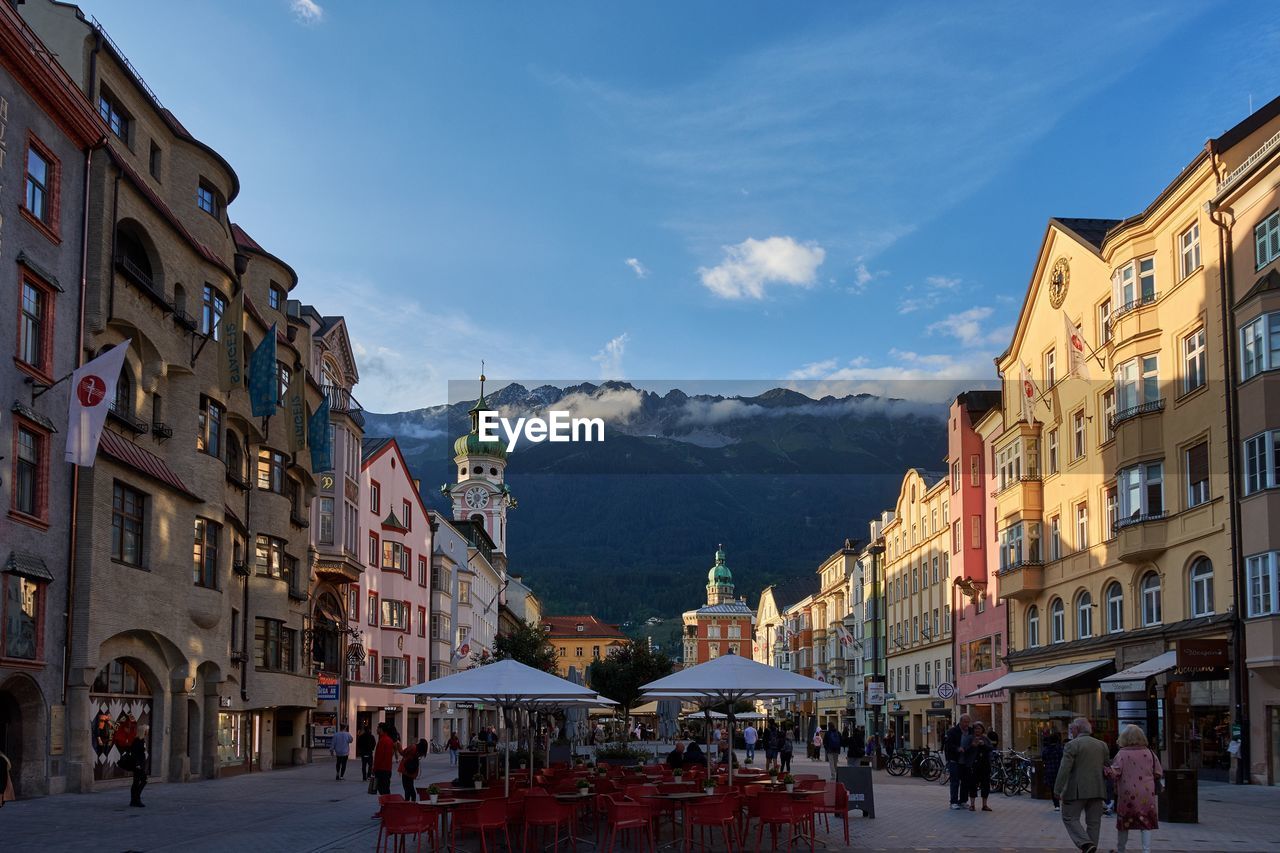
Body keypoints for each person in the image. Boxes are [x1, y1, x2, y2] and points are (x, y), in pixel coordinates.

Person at [1053, 717, 1111, 853]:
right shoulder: (1102, 745)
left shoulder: (1072, 745)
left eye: (1072, 728)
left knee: (1069, 817)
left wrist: (1057, 789)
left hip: (1077, 790)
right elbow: (1107, 766)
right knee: (1094, 823)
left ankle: (1085, 844)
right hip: (1098, 789)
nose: (1071, 731)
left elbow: (1064, 769)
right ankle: (1090, 848)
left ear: (1077, 729)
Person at [1105, 725, 1162, 853]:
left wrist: (1106, 770)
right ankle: (1146, 850)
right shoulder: (1150, 753)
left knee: (1124, 823)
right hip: (1146, 793)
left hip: (1127, 793)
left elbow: (1115, 773)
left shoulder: (1122, 754)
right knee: (1146, 822)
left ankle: (1121, 849)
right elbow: (1158, 772)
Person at [963, 721, 994, 812]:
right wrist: (972, 745)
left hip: (984, 765)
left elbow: (991, 748)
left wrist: (983, 745)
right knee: (973, 784)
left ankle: (984, 805)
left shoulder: (985, 739)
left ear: (982, 730)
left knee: (985, 784)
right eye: (976, 728)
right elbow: (965, 750)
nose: (977, 730)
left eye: (979, 728)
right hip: (973, 765)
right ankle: (972, 805)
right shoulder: (969, 738)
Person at [944, 714, 971, 811]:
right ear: (960, 721)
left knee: (965, 782)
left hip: (966, 761)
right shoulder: (952, 731)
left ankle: (963, 801)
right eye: (965, 722)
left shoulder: (970, 731)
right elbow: (948, 745)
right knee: (955, 782)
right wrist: (957, 748)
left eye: (968, 722)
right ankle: (953, 802)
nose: (967, 724)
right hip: (954, 760)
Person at [1041, 725, 1064, 811]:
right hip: (1059, 770)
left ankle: (1056, 805)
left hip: (1050, 771)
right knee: (1061, 786)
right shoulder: (1060, 749)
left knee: (1053, 788)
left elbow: (1043, 758)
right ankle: (1064, 801)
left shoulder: (1046, 750)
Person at [372, 723, 399, 796]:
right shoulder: (389, 740)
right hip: (387, 769)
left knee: (383, 790)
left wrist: (374, 769)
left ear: (381, 729)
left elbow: (379, 757)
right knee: (386, 789)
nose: (376, 729)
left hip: (381, 770)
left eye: (377, 728)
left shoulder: (383, 740)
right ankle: (387, 805)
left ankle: (388, 805)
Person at [127, 725, 148, 808]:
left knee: (137, 782)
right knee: (143, 780)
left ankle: (134, 800)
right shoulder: (137, 741)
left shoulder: (142, 740)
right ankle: (136, 799)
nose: (147, 732)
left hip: (141, 763)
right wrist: (137, 764)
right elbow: (134, 753)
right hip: (138, 765)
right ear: (143, 731)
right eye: (146, 730)